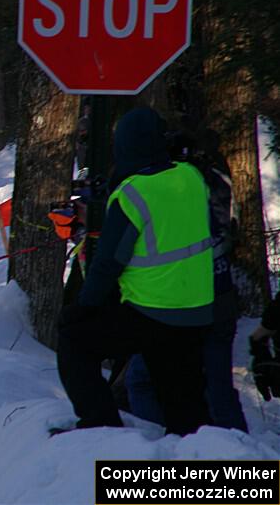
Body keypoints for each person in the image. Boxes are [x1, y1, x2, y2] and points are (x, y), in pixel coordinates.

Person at [57, 106, 214, 437]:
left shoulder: (132, 194)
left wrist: (84, 306)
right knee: (183, 399)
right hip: (197, 308)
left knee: (74, 339)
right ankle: (199, 454)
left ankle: (99, 425)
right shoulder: (191, 177)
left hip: (150, 309)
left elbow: (108, 262)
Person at [124, 129, 248, 432]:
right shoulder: (217, 181)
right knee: (217, 386)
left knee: (144, 379)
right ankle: (237, 447)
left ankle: (157, 447)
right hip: (221, 293)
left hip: (185, 300)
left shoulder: (175, 189)